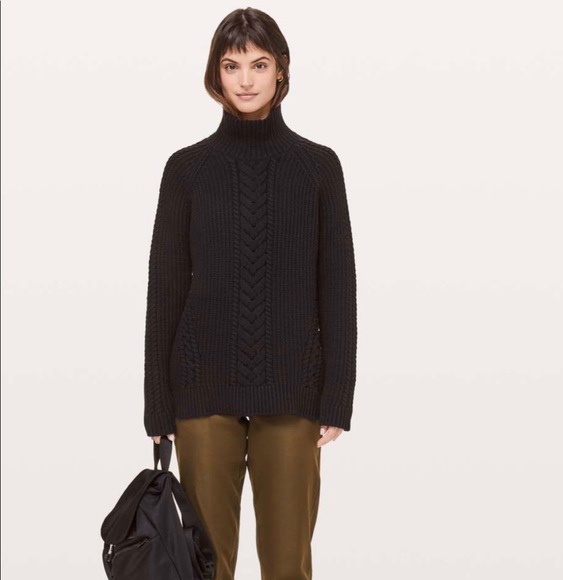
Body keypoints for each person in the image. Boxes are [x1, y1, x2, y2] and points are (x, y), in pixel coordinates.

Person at [143, 7, 357, 579]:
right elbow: (165, 290)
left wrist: (338, 392)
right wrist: (157, 401)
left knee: (287, 566)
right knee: (206, 566)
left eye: (259, 65)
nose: (245, 80)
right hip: (200, 386)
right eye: (231, 65)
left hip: (293, 386)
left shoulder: (318, 167)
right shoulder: (187, 169)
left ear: (281, 69)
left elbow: (338, 285)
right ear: (214, 73)